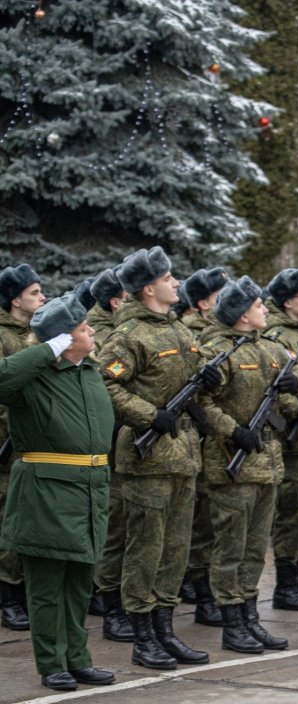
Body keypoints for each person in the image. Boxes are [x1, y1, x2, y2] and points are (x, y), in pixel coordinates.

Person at [100, 247, 216, 669]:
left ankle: (166, 632)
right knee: (145, 551)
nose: (176, 284)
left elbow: (196, 390)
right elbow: (105, 384)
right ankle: (143, 637)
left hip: (183, 458)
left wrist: (208, 382)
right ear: (148, 288)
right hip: (146, 463)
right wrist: (150, 415)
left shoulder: (180, 331)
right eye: (169, 279)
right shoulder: (127, 334)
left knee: (175, 550)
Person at [0, 293, 117, 691]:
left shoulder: (88, 372)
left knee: (79, 583)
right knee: (47, 587)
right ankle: (52, 663)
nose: (93, 332)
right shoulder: (32, 379)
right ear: (64, 340)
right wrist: (46, 350)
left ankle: (78, 658)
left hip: (89, 490)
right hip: (46, 494)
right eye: (84, 329)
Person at [197, 277, 298, 654]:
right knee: (231, 548)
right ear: (242, 315)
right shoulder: (216, 350)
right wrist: (232, 431)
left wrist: (292, 388)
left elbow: (285, 394)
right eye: (259, 306)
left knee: (256, 549)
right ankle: (232, 624)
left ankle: (250, 618)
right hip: (232, 463)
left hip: (268, 463)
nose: (265, 311)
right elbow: (203, 404)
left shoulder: (271, 349)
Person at [178, 267, 231, 629]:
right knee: (200, 525)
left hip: (211, 443)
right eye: (220, 294)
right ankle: (199, 587)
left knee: (211, 522)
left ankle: (207, 589)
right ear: (202, 304)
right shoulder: (196, 337)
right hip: (193, 438)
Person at [264, 268, 298, 612]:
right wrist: (297, 409)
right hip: (290, 436)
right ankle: (286, 583)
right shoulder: (275, 335)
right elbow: (275, 385)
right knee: (291, 511)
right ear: (287, 302)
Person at [85, 268, 135, 642]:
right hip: (112, 441)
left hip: (131, 440)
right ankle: (108, 600)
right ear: (117, 301)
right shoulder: (103, 336)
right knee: (114, 528)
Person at [0, 264, 45, 632]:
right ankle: (8, 597)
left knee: (31, 522)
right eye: (34, 293)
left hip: (35, 445)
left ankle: (24, 592)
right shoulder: (3, 335)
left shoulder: (39, 333)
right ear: (15, 299)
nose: (41, 297)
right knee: (8, 524)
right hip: (7, 444)